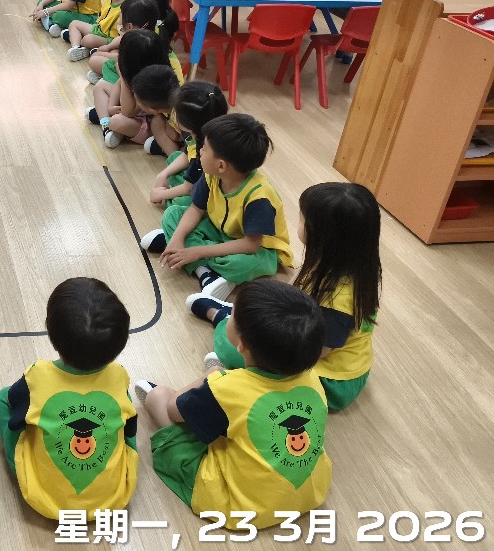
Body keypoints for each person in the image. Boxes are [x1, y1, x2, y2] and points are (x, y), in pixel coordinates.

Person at [135, 279, 332, 531]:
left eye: (231, 315)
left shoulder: (226, 388)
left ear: (242, 345)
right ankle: (204, 402)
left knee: (158, 398)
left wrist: (211, 377)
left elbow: (173, 409)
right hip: (309, 493)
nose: (228, 316)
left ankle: (187, 403)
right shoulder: (312, 379)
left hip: (241, 506)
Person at [187, 182, 380, 411]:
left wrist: (262, 342)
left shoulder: (338, 302)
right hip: (303, 336)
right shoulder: (340, 260)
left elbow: (312, 353)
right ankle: (229, 317)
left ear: (322, 235)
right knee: (244, 331)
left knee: (231, 344)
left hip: (329, 380)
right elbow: (292, 292)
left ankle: (222, 317)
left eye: (302, 219)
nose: (298, 222)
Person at [0, 277, 138, 519]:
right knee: (126, 413)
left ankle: (16, 462)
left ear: (50, 332)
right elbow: (129, 428)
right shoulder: (119, 376)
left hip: (44, 499)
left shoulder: (37, 375)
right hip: (113, 499)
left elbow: (13, 401)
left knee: (3, 398)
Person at [140, 114, 294, 300]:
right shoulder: (212, 174)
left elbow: (250, 244)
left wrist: (197, 251)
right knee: (173, 214)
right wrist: (178, 238)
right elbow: (196, 209)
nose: (200, 151)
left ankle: (199, 264)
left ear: (221, 165)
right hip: (219, 228)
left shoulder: (259, 197)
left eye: (204, 148)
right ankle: (188, 254)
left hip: (258, 248)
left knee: (242, 264)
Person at [150, 81, 229, 209]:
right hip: (199, 177)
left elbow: (189, 188)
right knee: (175, 157)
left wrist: (161, 194)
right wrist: (163, 175)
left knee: (179, 205)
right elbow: (187, 153)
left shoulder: (205, 149)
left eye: (176, 113)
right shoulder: (201, 133)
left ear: (187, 123)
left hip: (213, 192)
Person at [87, 29, 170, 149]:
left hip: (146, 123)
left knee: (116, 121)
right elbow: (118, 85)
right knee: (100, 86)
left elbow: (128, 112)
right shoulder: (139, 73)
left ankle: (109, 123)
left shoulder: (150, 83)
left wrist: (123, 75)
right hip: (128, 108)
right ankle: (106, 125)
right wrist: (111, 107)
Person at [65, 0, 138, 62]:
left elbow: (123, 34)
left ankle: (86, 45)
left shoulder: (126, 8)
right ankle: (76, 47)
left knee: (87, 39)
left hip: (110, 39)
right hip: (98, 30)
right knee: (74, 24)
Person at [130, 63, 183, 157]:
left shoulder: (184, 120)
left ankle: (176, 158)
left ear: (153, 109)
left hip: (198, 148)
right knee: (156, 122)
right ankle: (173, 154)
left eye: (137, 100)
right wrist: (170, 126)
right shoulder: (174, 99)